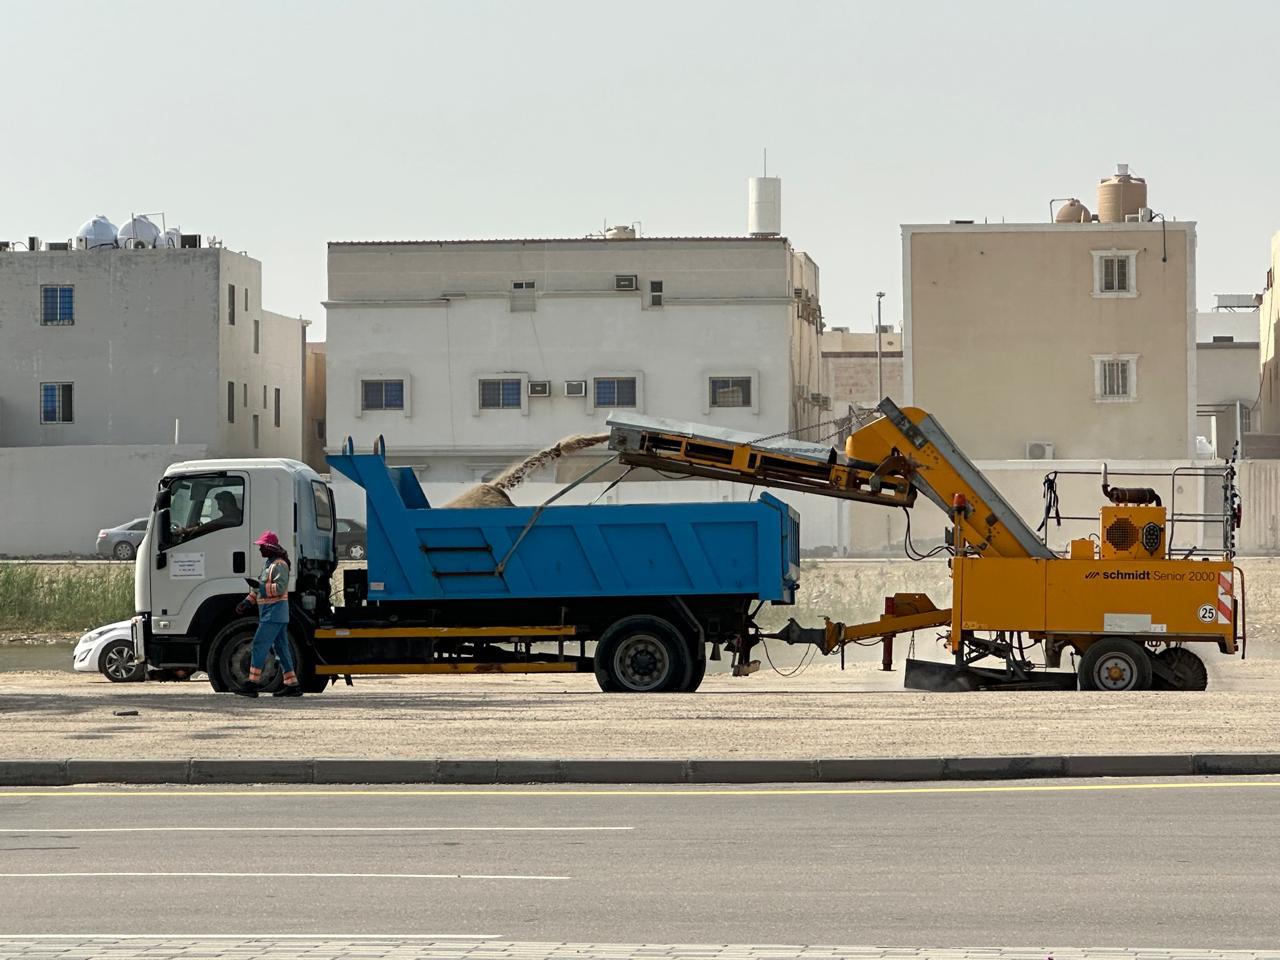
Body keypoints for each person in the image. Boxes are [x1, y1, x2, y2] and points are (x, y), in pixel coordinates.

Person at [234, 530, 302, 698]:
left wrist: (259, 587)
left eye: (262, 547)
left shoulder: (279, 565)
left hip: (273, 615)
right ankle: (292, 685)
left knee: (259, 645)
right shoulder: (269, 564)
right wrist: (247, 602)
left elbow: (279, 588)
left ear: (270, 547)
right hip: (274, 615)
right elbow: (260, 589)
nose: (260, 550)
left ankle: (252, 683)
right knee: (282, 649)